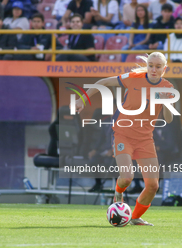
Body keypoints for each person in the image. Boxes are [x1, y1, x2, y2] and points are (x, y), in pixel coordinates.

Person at [75, 52, 175, 226]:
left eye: (158, 67)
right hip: (123, 134)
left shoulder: (167, 88)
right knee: (127, 177)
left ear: (164, 69)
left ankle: (135, 218)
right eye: (151, 65)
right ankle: (118, 193)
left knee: (153, 186)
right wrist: (82, 99)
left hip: (145, 139)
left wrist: (167, 102)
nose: (153, 69)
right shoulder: (134, 78)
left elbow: (169, 119)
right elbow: (103, 82)